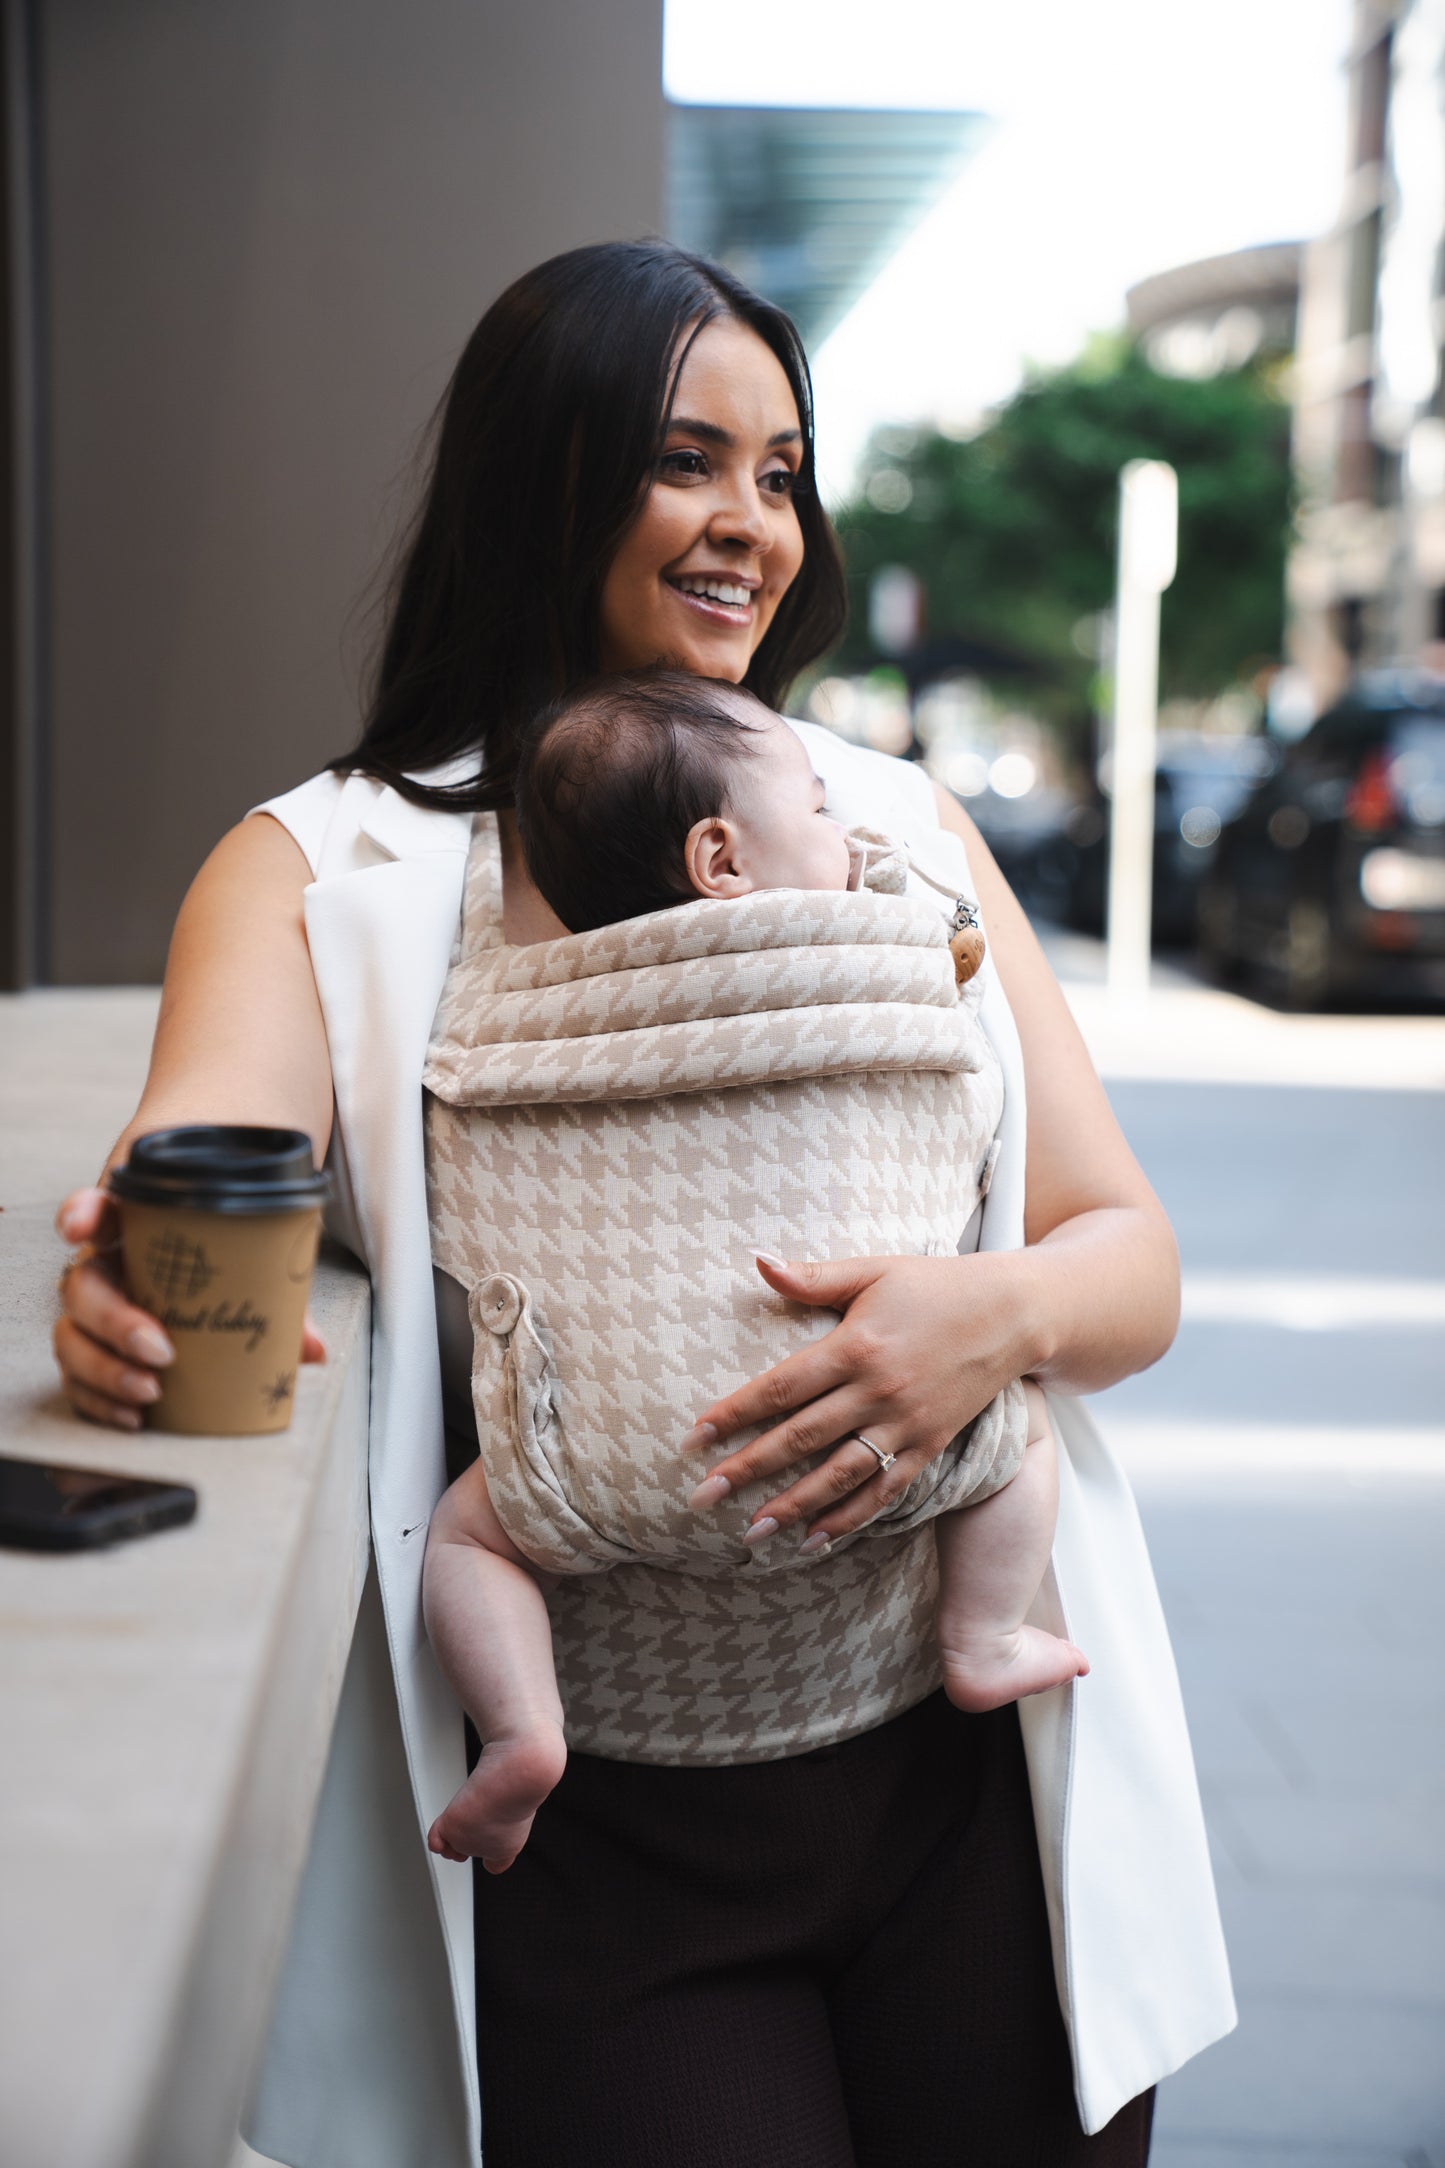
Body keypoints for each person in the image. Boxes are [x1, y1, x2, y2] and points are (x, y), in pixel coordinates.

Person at [51, 240, 1233, 2168]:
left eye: (782, 472)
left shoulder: (894, 825)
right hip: (593, 1839)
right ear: (546, 475)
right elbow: (196, 1176)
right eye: (688, 459)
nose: (753, 521)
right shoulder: (314, 867)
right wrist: (130, 1284)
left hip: (969, 1785)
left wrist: (988, 1319)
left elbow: (1132, 1257)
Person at [423, 668, 1087, 1874]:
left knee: (467, 1539)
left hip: (592, 1453)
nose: (845, 834)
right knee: (1024, 1437)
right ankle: (982, 1635)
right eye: (819, 811)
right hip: (891, 1426)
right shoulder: (876, 950)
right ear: (720, 860)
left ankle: (521, 1729)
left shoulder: (529, 999)